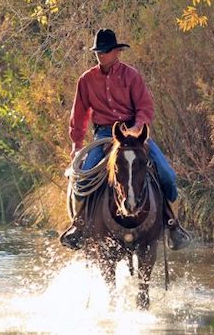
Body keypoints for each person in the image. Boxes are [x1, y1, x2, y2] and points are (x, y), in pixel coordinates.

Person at [60, 28, 191, 251]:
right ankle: (78, 225)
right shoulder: (87, 80)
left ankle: (171, 224)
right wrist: (76, 144)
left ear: (117, 52)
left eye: (106, 51)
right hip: (103, 135)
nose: (101, 55)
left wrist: (136, 128)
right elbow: (79, 114)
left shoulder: (131, 76)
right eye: (98, 51)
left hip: (134, 133)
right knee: (81, 178)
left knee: (166, 174)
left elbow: (145, 107)